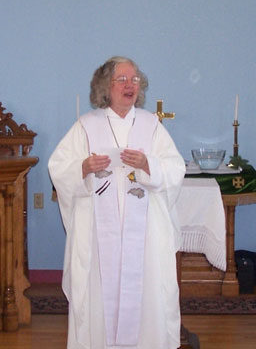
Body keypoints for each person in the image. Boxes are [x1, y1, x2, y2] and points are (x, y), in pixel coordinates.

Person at [48, 56, 185, 349]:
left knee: (148, 291)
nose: (130, 85)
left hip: (145, 230)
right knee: (98, 292)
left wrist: (148, 163)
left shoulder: (151, 125)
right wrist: (84, 166)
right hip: (99, 230)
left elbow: (175, 168)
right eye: (122, 79)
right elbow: (58, 167)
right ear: (105, 86)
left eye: (134, 80)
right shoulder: (86, 125)